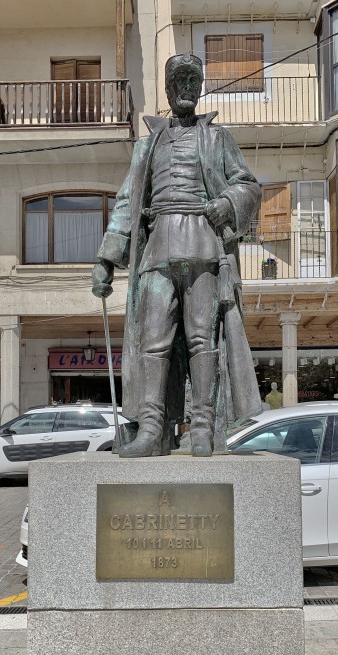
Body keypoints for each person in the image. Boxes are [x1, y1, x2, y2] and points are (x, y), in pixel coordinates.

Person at [92, 53, 262, 457]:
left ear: (201, 87)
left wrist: (228, 202)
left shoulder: (218, 139)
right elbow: (127, 202)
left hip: (203, 243)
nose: (186, 88)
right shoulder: (147, 146)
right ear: (167, 89)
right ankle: (152, 429)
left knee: (204, 339)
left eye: (193, 80)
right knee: (152, 342)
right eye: (179, 81)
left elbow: (249, 185)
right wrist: (105, 260)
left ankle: (202, 428)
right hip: (158, 247)